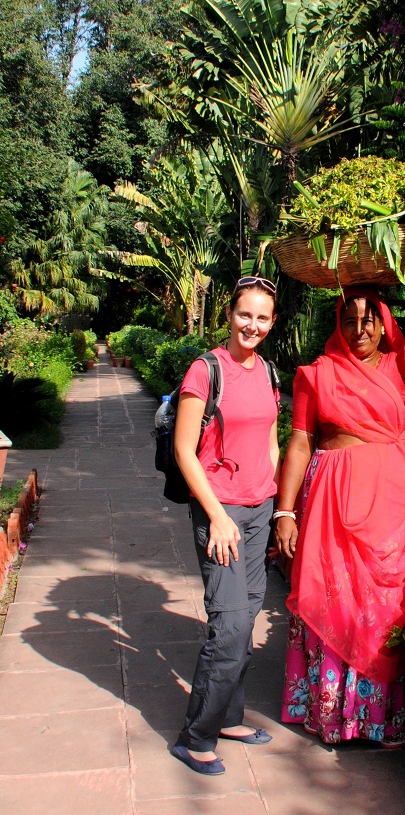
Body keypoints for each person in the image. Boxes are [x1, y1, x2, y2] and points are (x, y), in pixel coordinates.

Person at [275, 241, 405, 746]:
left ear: (383, 325)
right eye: (349, 320)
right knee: (331, 600)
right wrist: (284, 512)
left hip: (387, 510)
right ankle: (330, 714)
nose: (359, 329)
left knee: (378, 610)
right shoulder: (317, 375)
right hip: (330, 504)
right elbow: (300, 442)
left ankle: (373, 720)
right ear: (338, 325)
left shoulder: (400, 368)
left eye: (368, 320)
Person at [171, 276, 280, 775]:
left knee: (247, 615)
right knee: (230, 624)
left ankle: (230, 717)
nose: (251, 325)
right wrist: (216, 514)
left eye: (262, 317)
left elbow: (271, 441)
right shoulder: (206, 369)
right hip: (222, 512)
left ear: (271, 323)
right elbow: (184, 449)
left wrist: (278, 505)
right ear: (230, 315)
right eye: (244, 315)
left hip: (259, 510)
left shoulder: (269, 372)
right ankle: (196, 735)